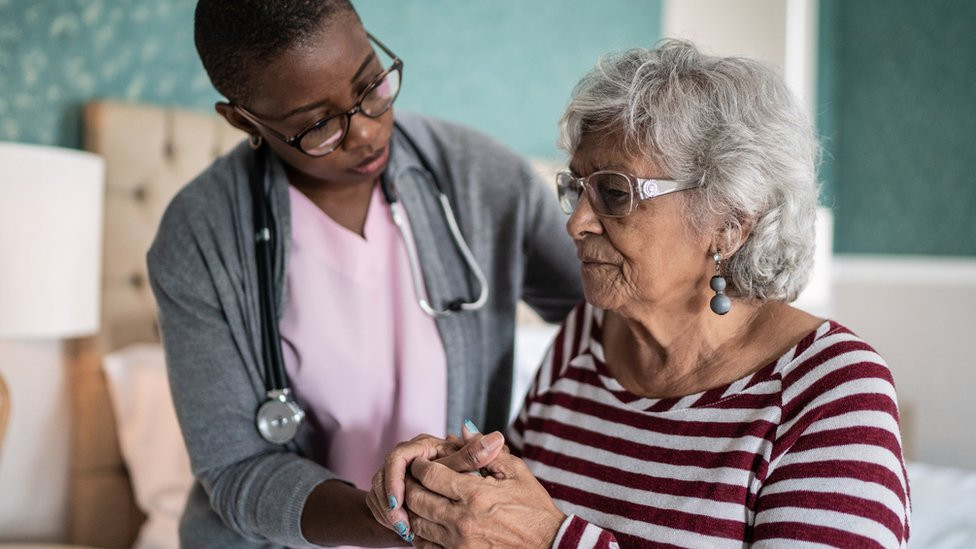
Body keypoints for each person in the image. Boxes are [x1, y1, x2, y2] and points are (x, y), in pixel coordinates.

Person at [368, 40, 911, 547]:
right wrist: (455, 483)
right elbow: (517, 513)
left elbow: (537, 532)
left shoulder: (832, 392)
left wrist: (551, 541)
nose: (576, 223)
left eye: (613, 192)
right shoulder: (587, 335)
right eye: (576, 188)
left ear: (728, 223)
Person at [146, 1, 582, 546]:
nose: (366, 134)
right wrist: (406, 522)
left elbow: (614, 319)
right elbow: (238, 469)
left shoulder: (484, 181)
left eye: (370, 85)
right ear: (243, 120)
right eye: (318, 124)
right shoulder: (199, 238)